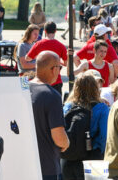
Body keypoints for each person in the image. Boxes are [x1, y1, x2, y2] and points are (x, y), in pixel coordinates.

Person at [30, 51, 69, 179]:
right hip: (46, 167)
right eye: (60, 67)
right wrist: (66, 143)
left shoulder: (21, 88)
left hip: (23, 163)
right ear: (53, 69)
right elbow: (59, 137)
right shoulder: (52, 96)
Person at [62, 73, 109, 179]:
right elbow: (103, 137)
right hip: (91, 160)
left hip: (68, 158)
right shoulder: (102, 108)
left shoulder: (68, 106)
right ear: (95, 88)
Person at [26, 22, 68, 95]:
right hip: (56, 80)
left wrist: (38, 57)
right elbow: (65, 63)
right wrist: (58, 62)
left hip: (41, 80)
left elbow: (27, 58)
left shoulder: (38, 44)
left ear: (45, 31)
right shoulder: (61, 46)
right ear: (55, 31)